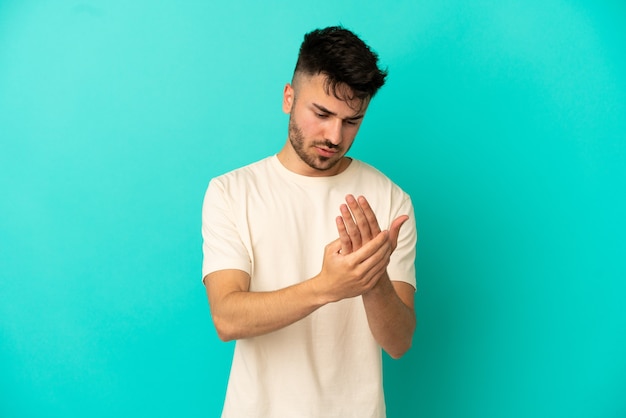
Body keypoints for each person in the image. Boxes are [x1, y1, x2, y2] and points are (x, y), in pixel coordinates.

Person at [201, 26, 417, 417]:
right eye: (322, 114)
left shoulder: (390, 199)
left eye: (352, 121)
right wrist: (328, 286)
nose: (335, 135)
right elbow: (226, 317)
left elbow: (399, 342)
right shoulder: (231, 192)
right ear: (289, 97)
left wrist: (373, 280)